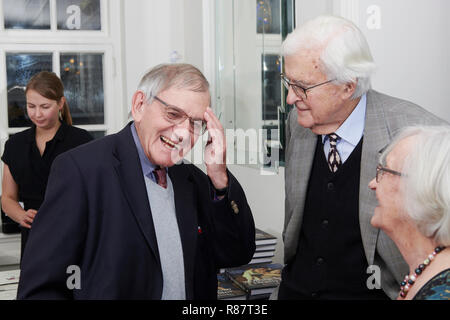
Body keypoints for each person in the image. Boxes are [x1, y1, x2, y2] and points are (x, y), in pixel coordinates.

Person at [17, 63, 256, 299]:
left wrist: (219, 177)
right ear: (139, 105)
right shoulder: (81, 170)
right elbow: (41, 288)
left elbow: (236, 253)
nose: (184, 133)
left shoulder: (193, 179)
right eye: (173, 114)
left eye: (196, 124)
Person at [275, 15, 447, 299]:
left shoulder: (416, 137)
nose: (290, 99)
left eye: (302, 87)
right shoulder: (299, 121)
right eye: (287, 83)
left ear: (347, 87)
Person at [1, 71, 93, 259]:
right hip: (33, 242)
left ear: (60, 103)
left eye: (44, 106)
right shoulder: (15, 145)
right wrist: (20, 215)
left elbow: (98, 194)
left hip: (75, 240)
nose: (37, 114)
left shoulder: (82, 141)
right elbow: (7, 198)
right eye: (31, 106)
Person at [369, 126, 450, 300]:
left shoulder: (442, 293)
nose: (372, 184)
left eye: (384, 171)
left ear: (421, 189)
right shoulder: (429, 269)